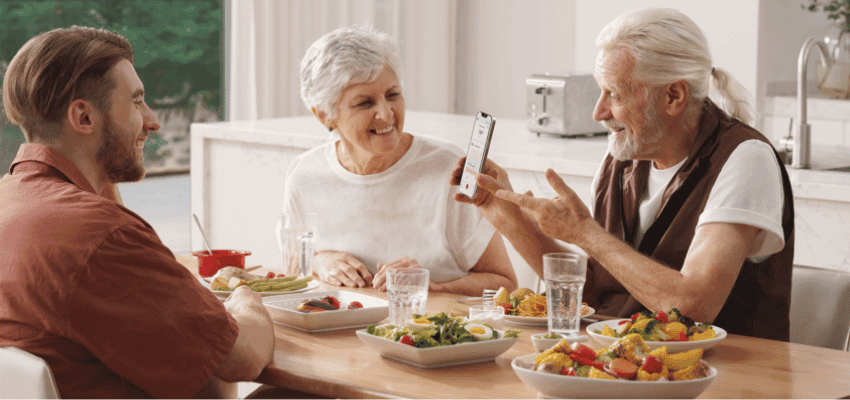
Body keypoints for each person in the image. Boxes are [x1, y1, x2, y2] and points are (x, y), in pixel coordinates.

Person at [451, 8, 794, 341]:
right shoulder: (625, 153)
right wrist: (508, 218)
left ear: (673, 95)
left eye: (613, 94)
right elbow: (595, 292)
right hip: (625, 366)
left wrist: (584, 233)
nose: (598, 112)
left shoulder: (746, 158)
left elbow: (693, 306)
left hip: (726, 383)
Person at [0, 26, 274, 398]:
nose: (152, 121)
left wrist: (100, 178)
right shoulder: (100, 235)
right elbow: (243, 359)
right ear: (83, 118)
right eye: (136, 102)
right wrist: (245, 295)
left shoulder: (12, 199)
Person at [287, 25, 517, 297]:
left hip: (434, 333)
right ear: (324, 115)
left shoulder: (449, 169)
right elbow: (291, 270)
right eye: (364, 103)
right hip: (338, 333)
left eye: (393, 95)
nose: (386, 114)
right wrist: (317, 261)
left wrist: (432, 286)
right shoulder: (306, 175)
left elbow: (505, 284)